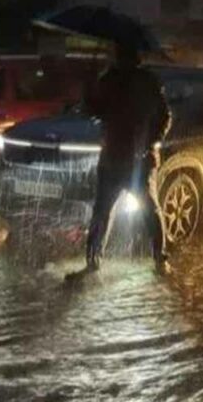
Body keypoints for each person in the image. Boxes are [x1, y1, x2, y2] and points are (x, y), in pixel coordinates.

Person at [83, 39, 171, 274]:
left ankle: (160, 257)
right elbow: (92, 110)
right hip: (113, 155)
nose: (119, 59)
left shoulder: (147, 81)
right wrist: (90, 82)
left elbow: (164, 116)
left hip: (138, 158)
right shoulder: (109, 79)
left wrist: (151, 140)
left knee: (148, 208)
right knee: (102, 210)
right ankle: (92, 259)